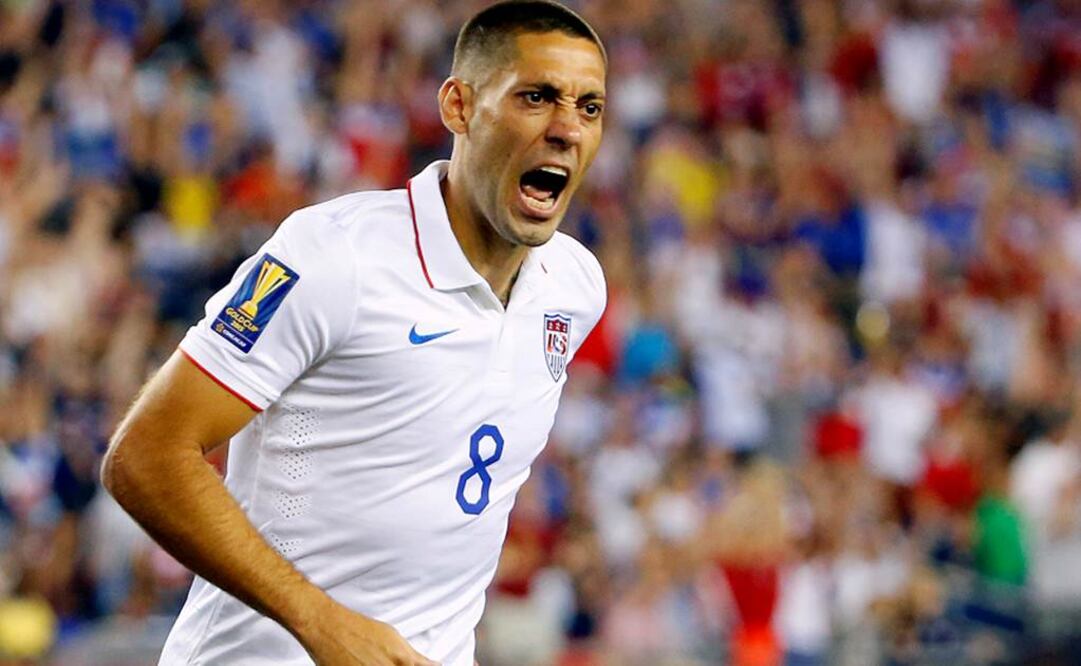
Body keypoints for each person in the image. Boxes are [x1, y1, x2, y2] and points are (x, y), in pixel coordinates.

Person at [100, 2, 608, 664]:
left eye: (589, 107)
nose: (567, 128)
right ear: (458, 107)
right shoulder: (335, 256)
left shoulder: (573, 288)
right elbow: (145, 456)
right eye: (536, 97)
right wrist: (320, 621)